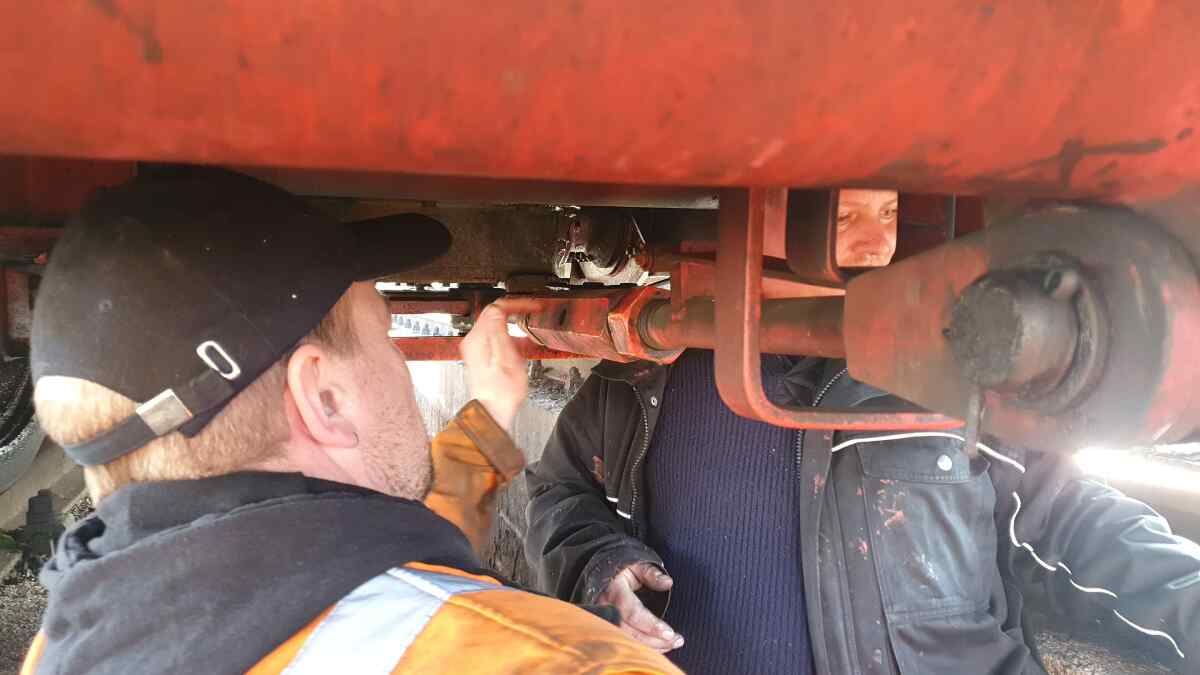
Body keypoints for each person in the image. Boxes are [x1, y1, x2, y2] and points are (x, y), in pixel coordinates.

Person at [19, 168, 680, 675]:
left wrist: (487, 417)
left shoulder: (71, 642)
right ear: (324, 398)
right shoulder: (566, 662)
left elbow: (352, 551)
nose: (394, 359)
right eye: (384, 336)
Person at [524, 190, 1200, 674]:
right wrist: (598, 566)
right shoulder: (643, 376)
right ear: (753, 213)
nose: (875, 242)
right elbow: (557, 489)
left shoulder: (951, 372)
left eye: (888, 213)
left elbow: (1071, 521)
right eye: (844, 217)